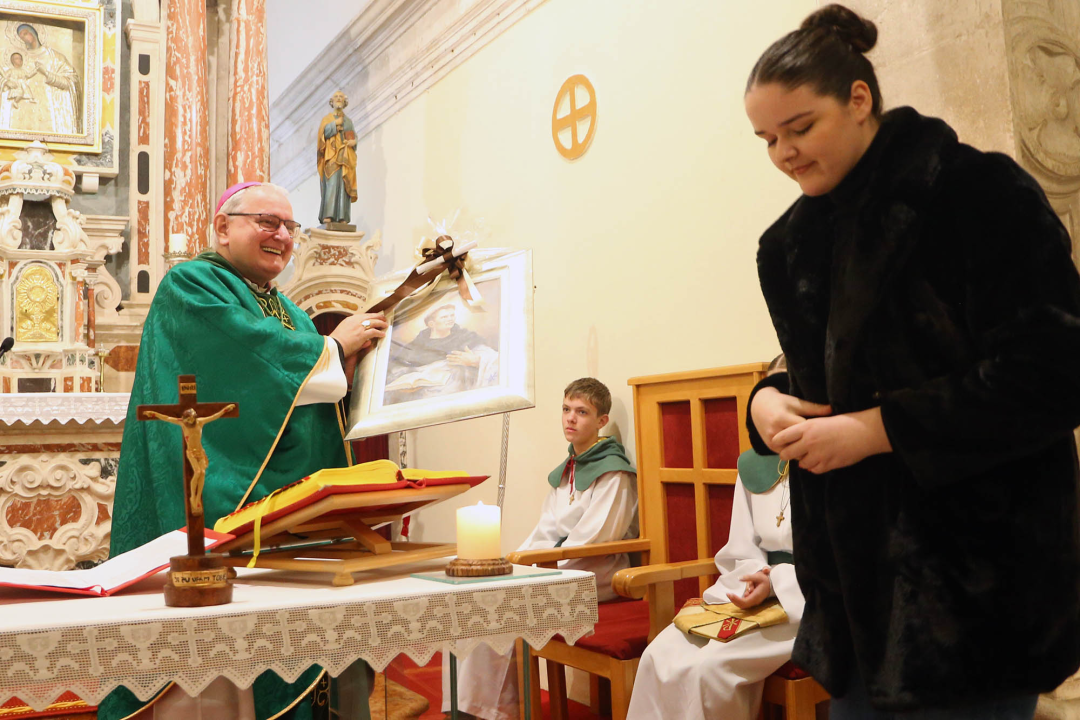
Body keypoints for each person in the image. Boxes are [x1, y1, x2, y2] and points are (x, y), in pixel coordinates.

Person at [743, 5, 1080, 718]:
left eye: (800, 128)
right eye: (767, 139)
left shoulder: (973, 193)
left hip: (973, 594)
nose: (784, 154)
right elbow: (830, 369)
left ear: (859, 100)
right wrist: (765, 401)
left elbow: (1056, 369)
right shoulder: (789, 246)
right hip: (851, 597)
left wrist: (882, 429)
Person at [101, 182, 387, 720]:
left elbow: (304, 392)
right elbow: (249, 361)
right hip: (217, 505)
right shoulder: (194, 283)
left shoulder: (287, 309)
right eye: (266, 222)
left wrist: (352, 364)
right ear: (223, 227)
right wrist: (331, 348)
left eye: (289, 226)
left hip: (286, 518)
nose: (281, 235)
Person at [444, 378, 638, 720]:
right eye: (566, 409)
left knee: (502, 608)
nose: (571, 419)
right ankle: (465, 706)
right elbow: (545, 530)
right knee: (478, 599)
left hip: (597, 574)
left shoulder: (613, 474)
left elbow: (595, 539)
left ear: (602, 421)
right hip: (560, 567)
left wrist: (537, 570)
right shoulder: (567, 471)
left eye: (582, 412)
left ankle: (494, 710)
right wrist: (512, 563)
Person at [627, 356, 802, 720]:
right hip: (756, 594)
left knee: (709, 670)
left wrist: (776, 583)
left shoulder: (832, 458)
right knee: (659, 655)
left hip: (807, 602)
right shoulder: (754, 465)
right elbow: (741, 547)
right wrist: (755, 581)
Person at [384, 303, 499, 404]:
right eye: (444, 317)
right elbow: (396, 369)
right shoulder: (415, 346)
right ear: (431, 324)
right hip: (420, 400)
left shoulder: (467, 339)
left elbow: (494, 359)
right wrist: (403, 385)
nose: (450, 319)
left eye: (452, 315)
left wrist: (476, 361)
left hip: (455, 397)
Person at [14, 23, 79, 134]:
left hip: (50, 112)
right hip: (26, 113)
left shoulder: (55, 57)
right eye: (21, 37)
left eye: (25, 34)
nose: (24, 38)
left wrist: (47, 73)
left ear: (34, 33)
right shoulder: (20, 58)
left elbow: (71, 82)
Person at [317, 90, 357, 225]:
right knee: (332, 184)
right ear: (332, 102)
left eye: (341, 97)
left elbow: (352, 136)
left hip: (344, 157)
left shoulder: (348, 121)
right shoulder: (327, 120)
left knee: (343, 185)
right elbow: (322, 136)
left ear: (344, 102)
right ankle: (328, 215)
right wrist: (334, 125)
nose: (338, 99)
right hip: (332, 157)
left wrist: (353, 142)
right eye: (336, 97)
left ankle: (342, 216)